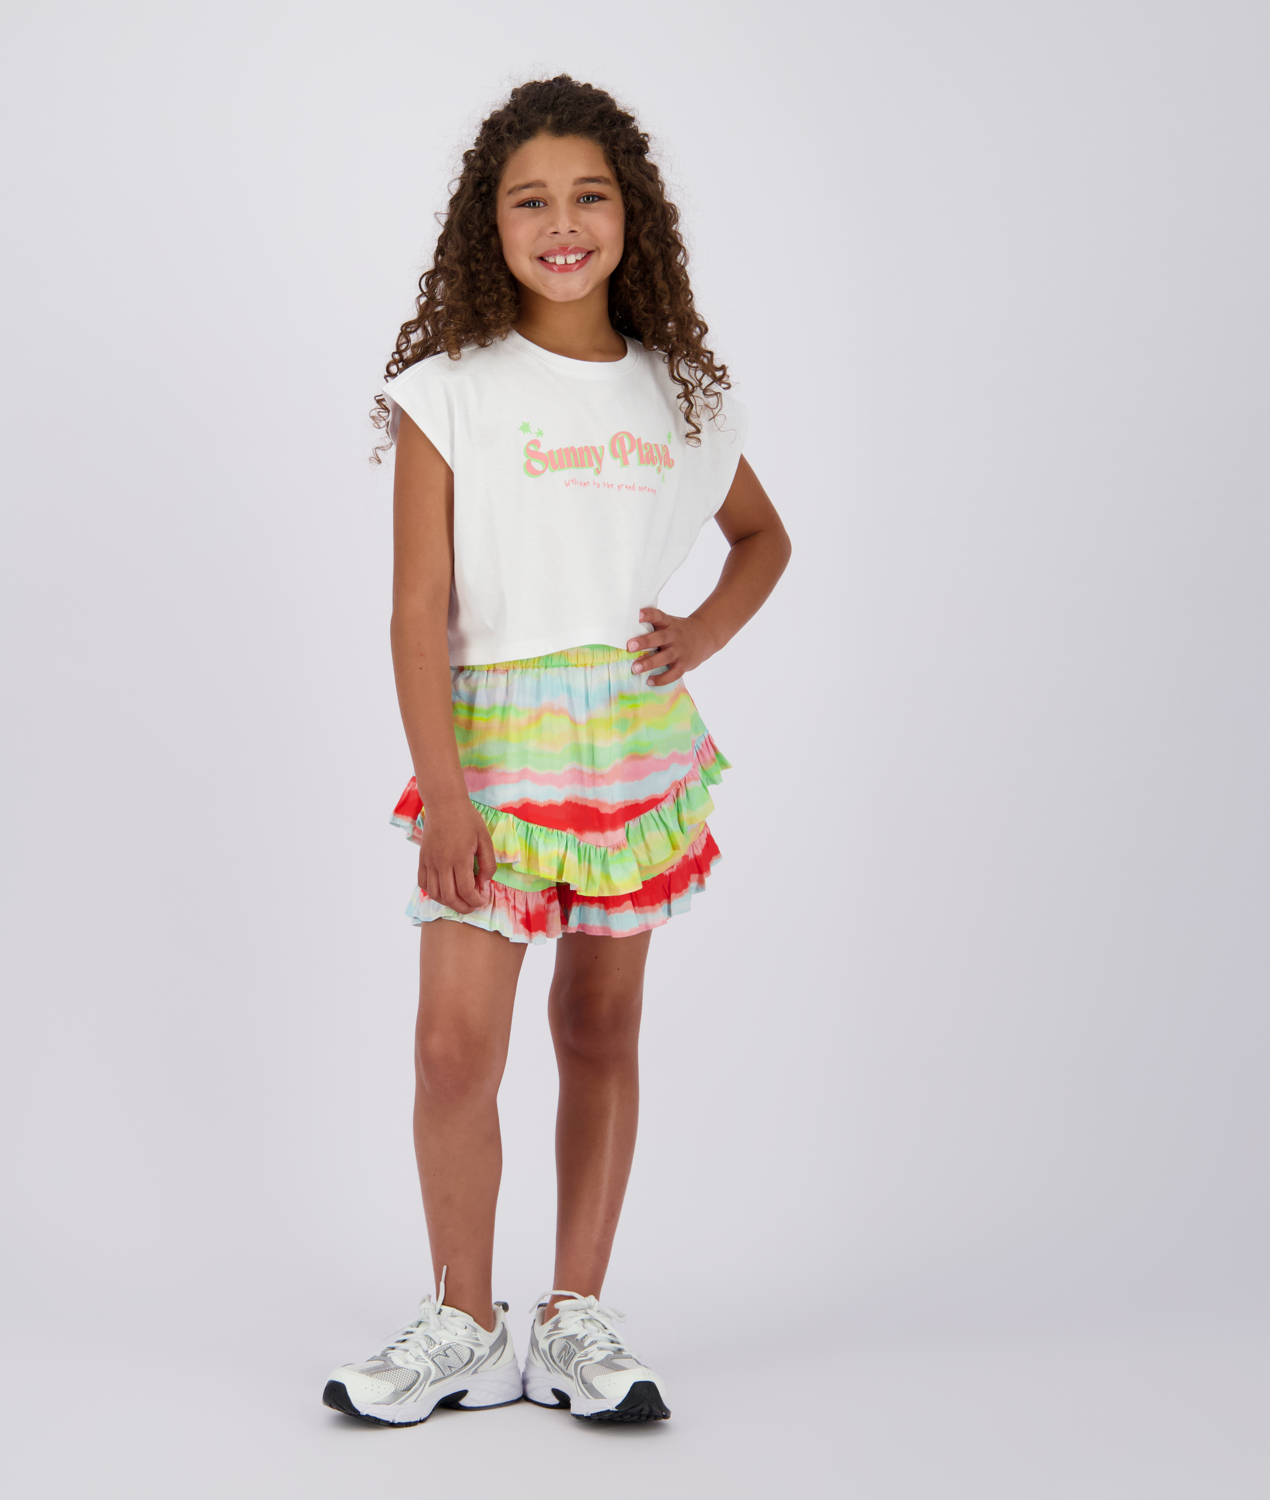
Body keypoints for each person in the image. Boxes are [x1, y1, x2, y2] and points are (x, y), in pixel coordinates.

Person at [322, 75, 790, 1427]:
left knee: (598, 1025)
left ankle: (575, 1314)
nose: (563, 222)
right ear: (492, 224)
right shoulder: (449, 393)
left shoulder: (681, 395)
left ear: (633, 215)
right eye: (531, 201)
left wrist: (699, 633)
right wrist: (446, 794)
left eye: (590, 195)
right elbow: (417, 609)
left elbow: (763, 538)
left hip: (628, 746)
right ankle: (463, 1321)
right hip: (488, 748)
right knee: (453, 1046)